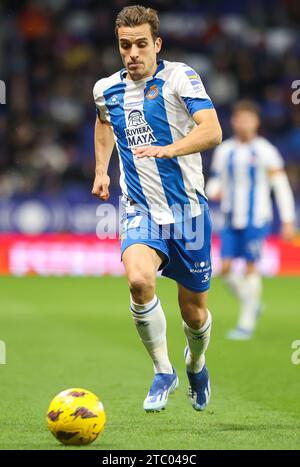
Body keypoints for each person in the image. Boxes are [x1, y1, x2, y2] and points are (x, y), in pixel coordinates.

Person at [92, 5, 222, 412]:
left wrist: (169, 149)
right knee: (138, 281)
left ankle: (195, 363)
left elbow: (212, 130)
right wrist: (102, 170)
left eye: (141, 44)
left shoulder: (180, 77)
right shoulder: (106, 88)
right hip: (139, 209)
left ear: (157, 44)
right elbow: (103, 122)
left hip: (189, 214)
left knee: (195, 313)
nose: (132, 53)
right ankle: (163, 369)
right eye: (124, 45)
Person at [206, 100, 296, 340]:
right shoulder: (225, 150)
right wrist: (212, 189)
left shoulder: (266, 151)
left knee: (250, 267)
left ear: (256, 122)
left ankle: (246, 322)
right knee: (223, 270)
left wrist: (288, 220)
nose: (243, 123)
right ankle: (252, 303)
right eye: (239, 118)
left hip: (256, 219)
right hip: (230, 218)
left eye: (248, 118)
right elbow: (215, 179)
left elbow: (281, 186)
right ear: (233, 121)